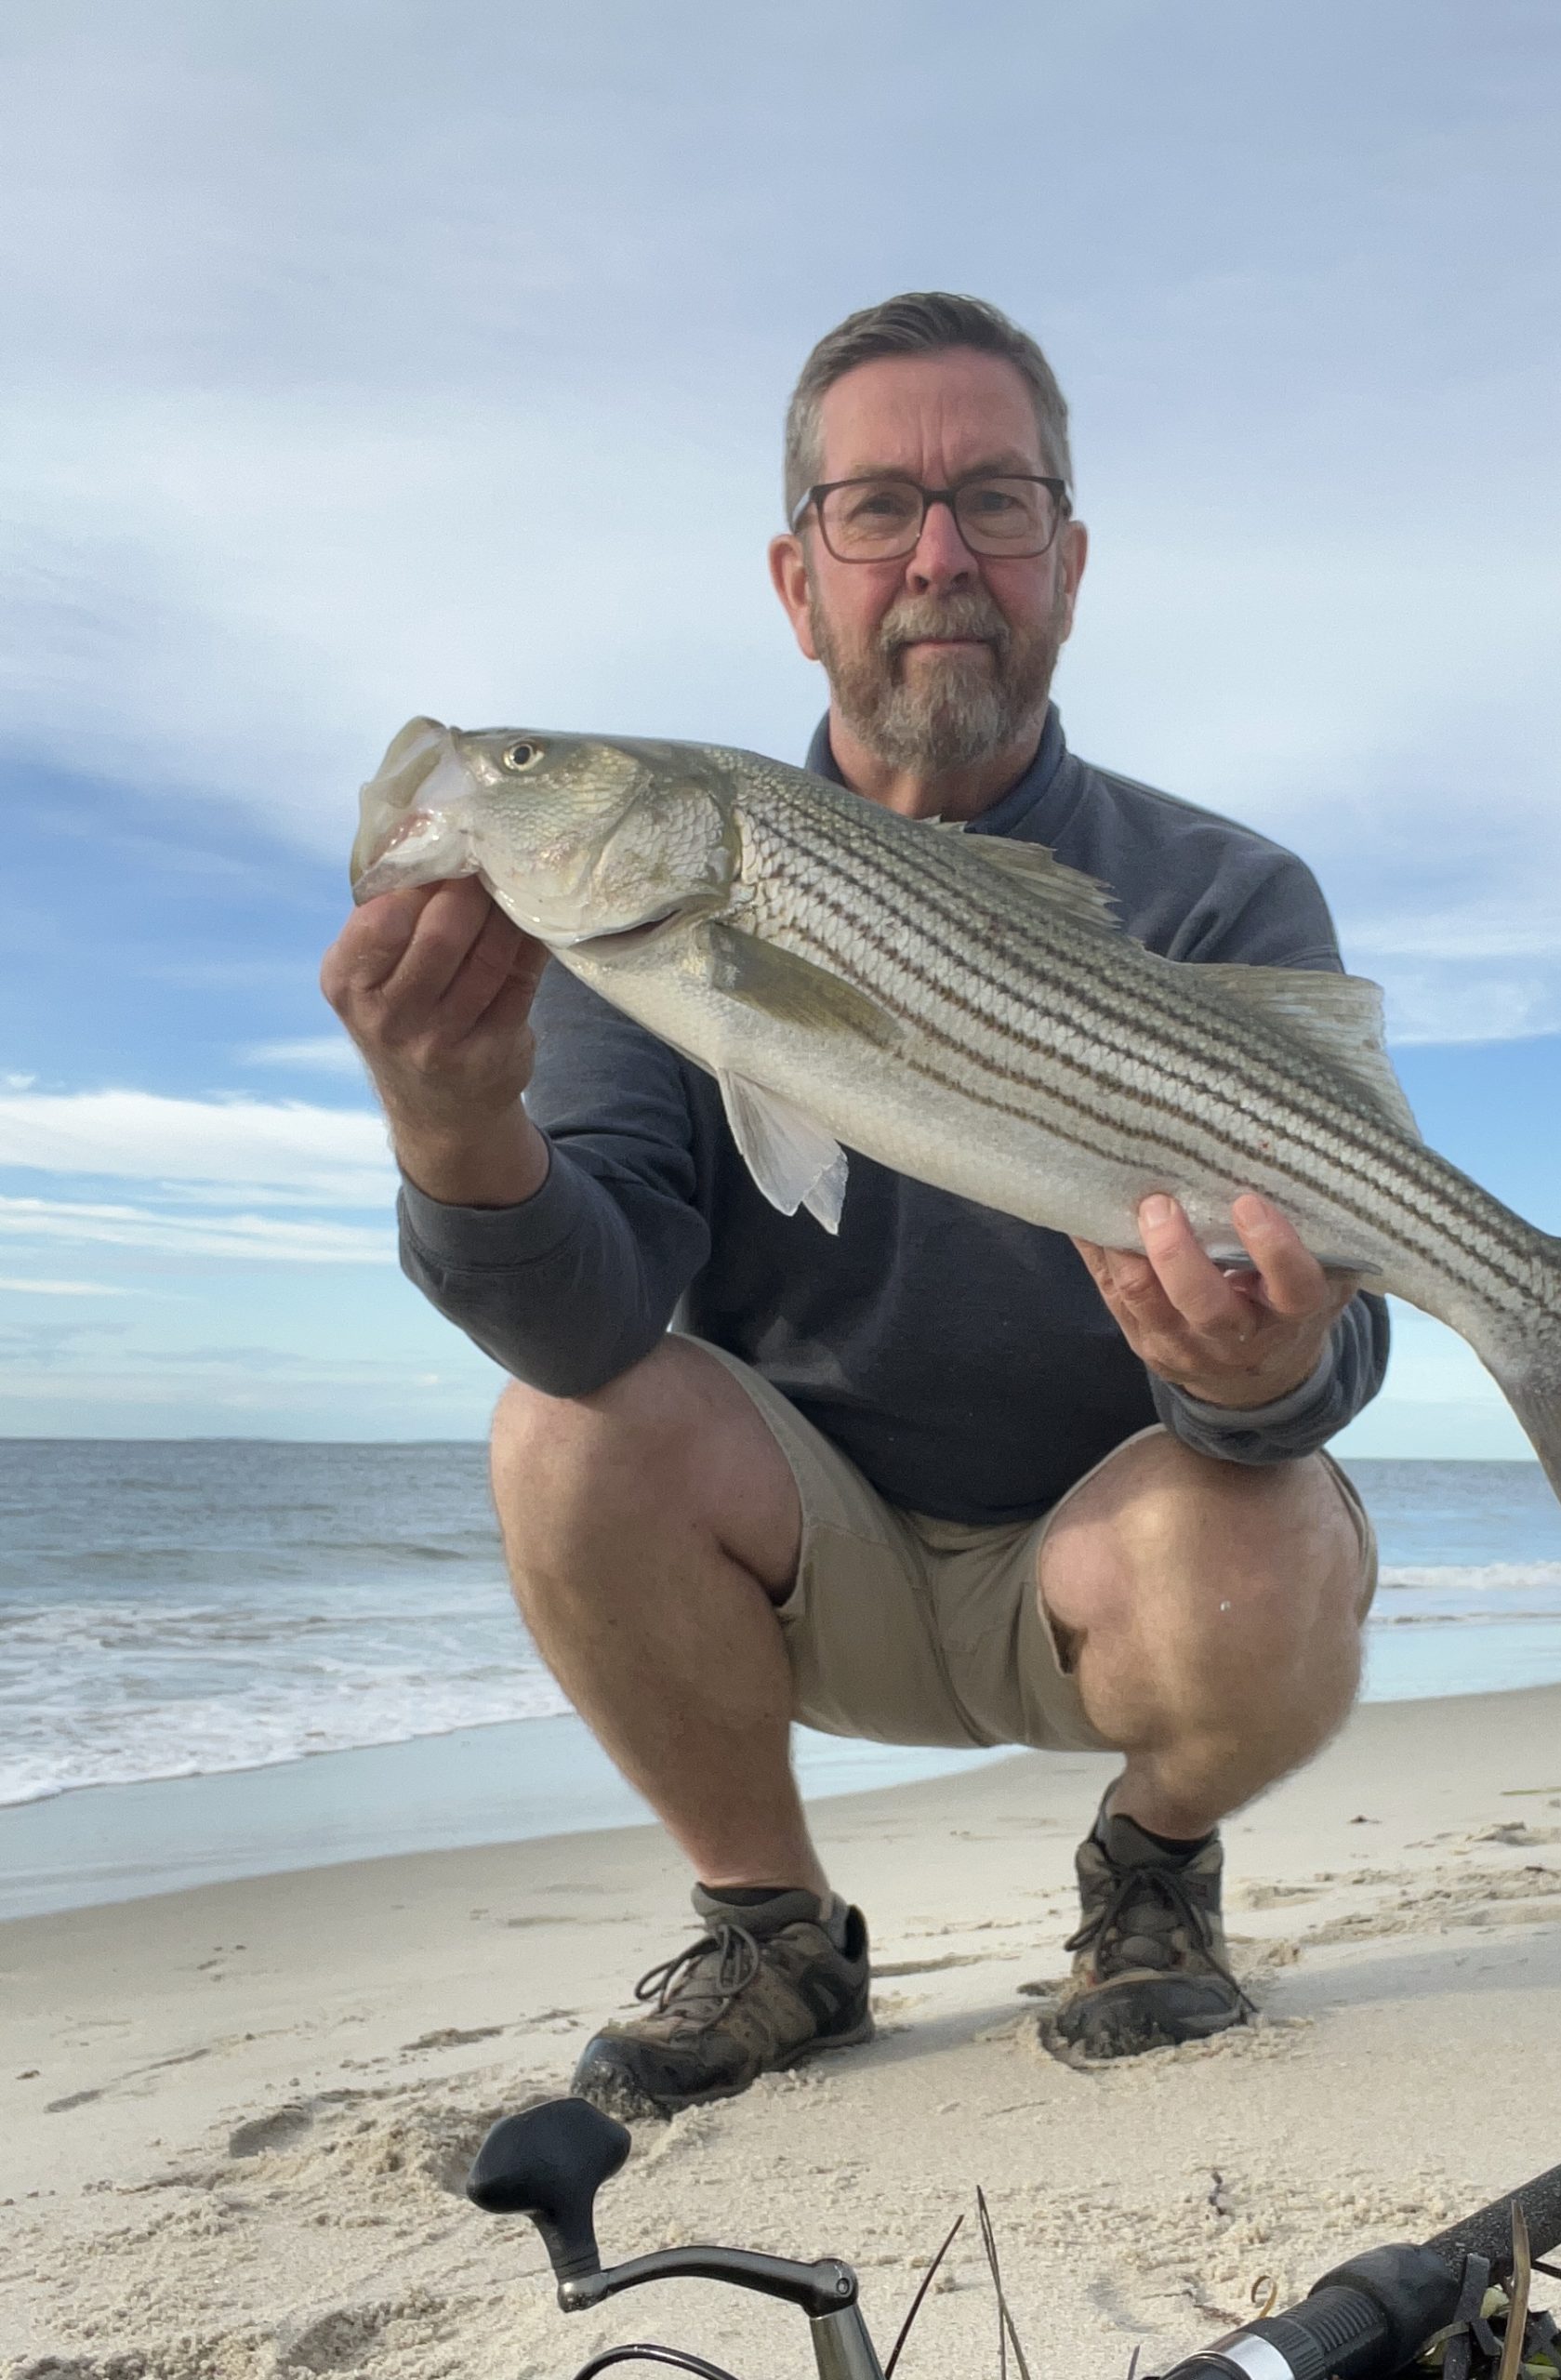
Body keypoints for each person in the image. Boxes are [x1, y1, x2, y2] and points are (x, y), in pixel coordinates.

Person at [321, 292, 1387, 2118]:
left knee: (1281, 1514)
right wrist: (452, 1126)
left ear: (1066, 562)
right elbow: (586, 1320)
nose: (939, 555)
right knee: (560, 1432)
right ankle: (773, 1931)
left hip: (1110, 1571)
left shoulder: (1220, 891)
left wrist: (1262, 1368)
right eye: (877, 506)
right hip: (801, 1572)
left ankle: (1149, 1869)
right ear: (796, 579)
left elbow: (1336, 1330)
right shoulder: (644, 922)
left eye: (997, 501)